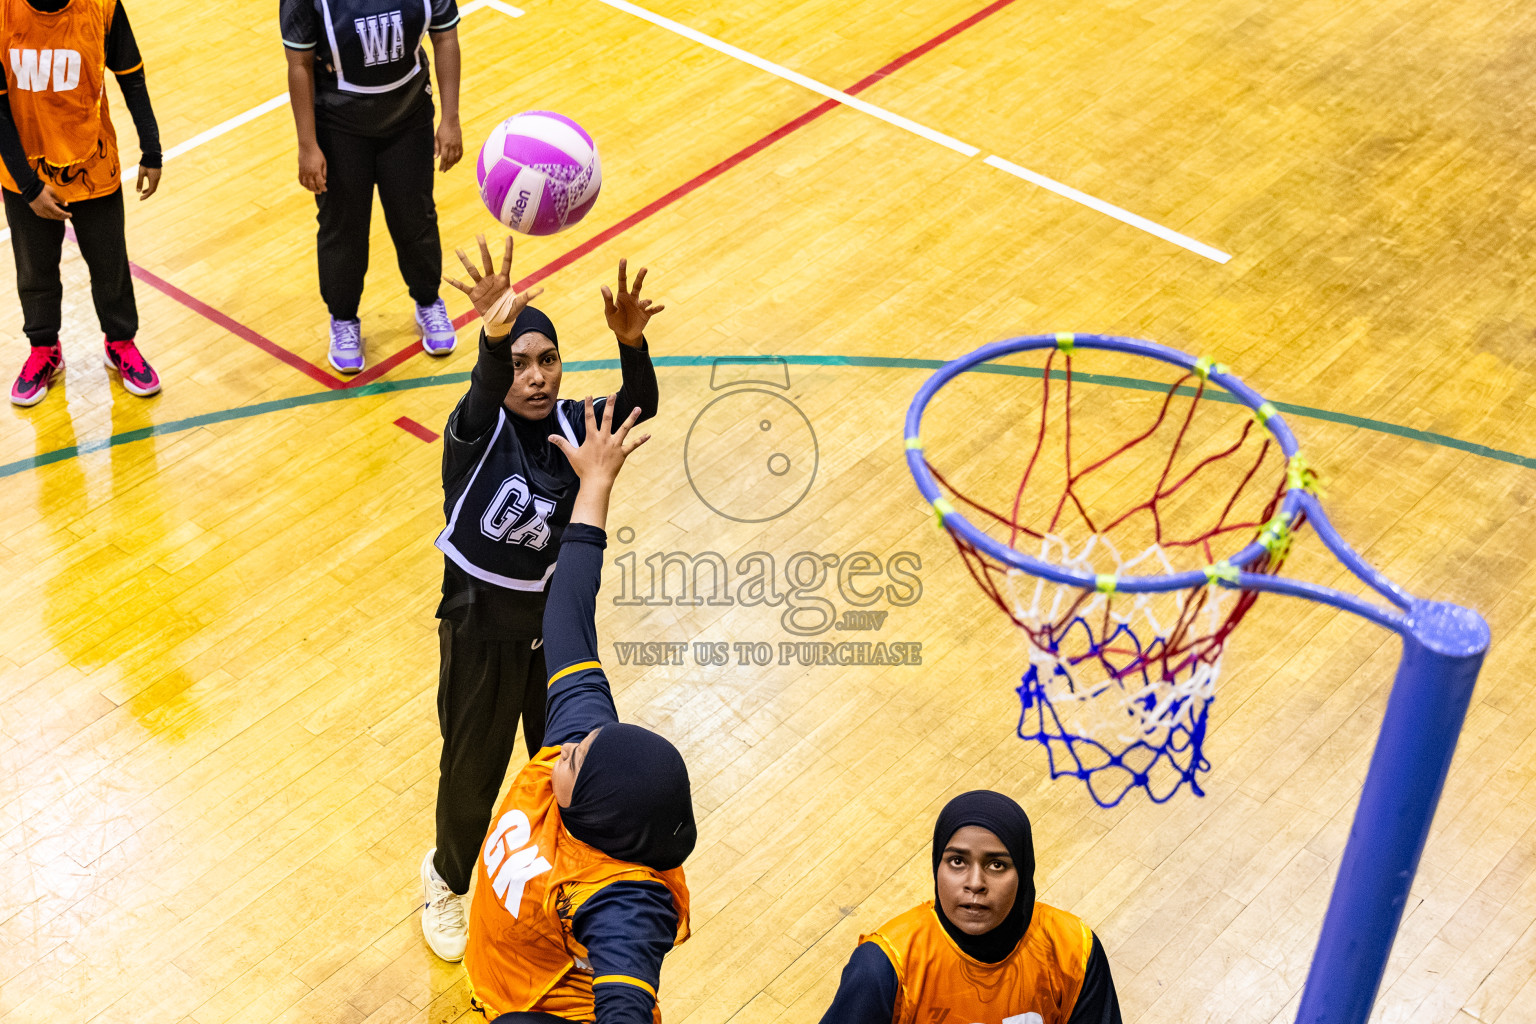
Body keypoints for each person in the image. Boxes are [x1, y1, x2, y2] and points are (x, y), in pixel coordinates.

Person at [421, 232, 662, 964]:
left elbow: (638, 402)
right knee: (473, 769)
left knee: (566, 764)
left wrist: (630, 345)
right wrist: (495, 334)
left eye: (547, 360)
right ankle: (448, 879)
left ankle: (566, 887)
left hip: (552, 636)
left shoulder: (571, 425)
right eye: (521, 363)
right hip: (482, 630)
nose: (535, 376)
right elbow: (484, 384)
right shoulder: (476, 428)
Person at [464, 395, 695, 1024]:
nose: (563, 746)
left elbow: (626, 1006)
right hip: (503, 970)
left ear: (595, 808)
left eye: (578, 759)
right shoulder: (581, 734)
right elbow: (567, 606)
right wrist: (596, 485)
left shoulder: (622, 899)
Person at [818, 790, 1123, 1024]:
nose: (975, 883)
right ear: (937, 866)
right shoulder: (884, 965)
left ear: (1024, 871)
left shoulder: (1073, 950)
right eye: (957, 861)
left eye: (997, 864)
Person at [281, 0, 462, 373]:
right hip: (339, 126)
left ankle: (429, 302)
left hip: (409, 117)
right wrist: (307, 144)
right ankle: (343, 320)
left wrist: (450, 119)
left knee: (416, 218)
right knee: (343, 229)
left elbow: (445, 38)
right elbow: (298, 65)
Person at [1, 0, 162, 407]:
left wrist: (152, 148)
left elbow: (132, 75)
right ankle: (45, 352)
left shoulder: (102, 6)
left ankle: (121, 343)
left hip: (93, 163)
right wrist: (28, 185)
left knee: (110, 264)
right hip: (25, 171)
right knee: (35, 270)